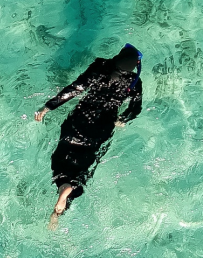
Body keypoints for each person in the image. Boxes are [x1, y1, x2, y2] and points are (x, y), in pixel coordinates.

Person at [34, 44, 144, 230]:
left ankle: (63, 186)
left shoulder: (99, 67)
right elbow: (135, 109)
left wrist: (48, 107)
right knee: (83, 172)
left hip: (78, 123)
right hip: (99, 132)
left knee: (60, 161)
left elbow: (75, 89)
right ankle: (65, 196)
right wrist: (121, 120)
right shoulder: (135, 82)